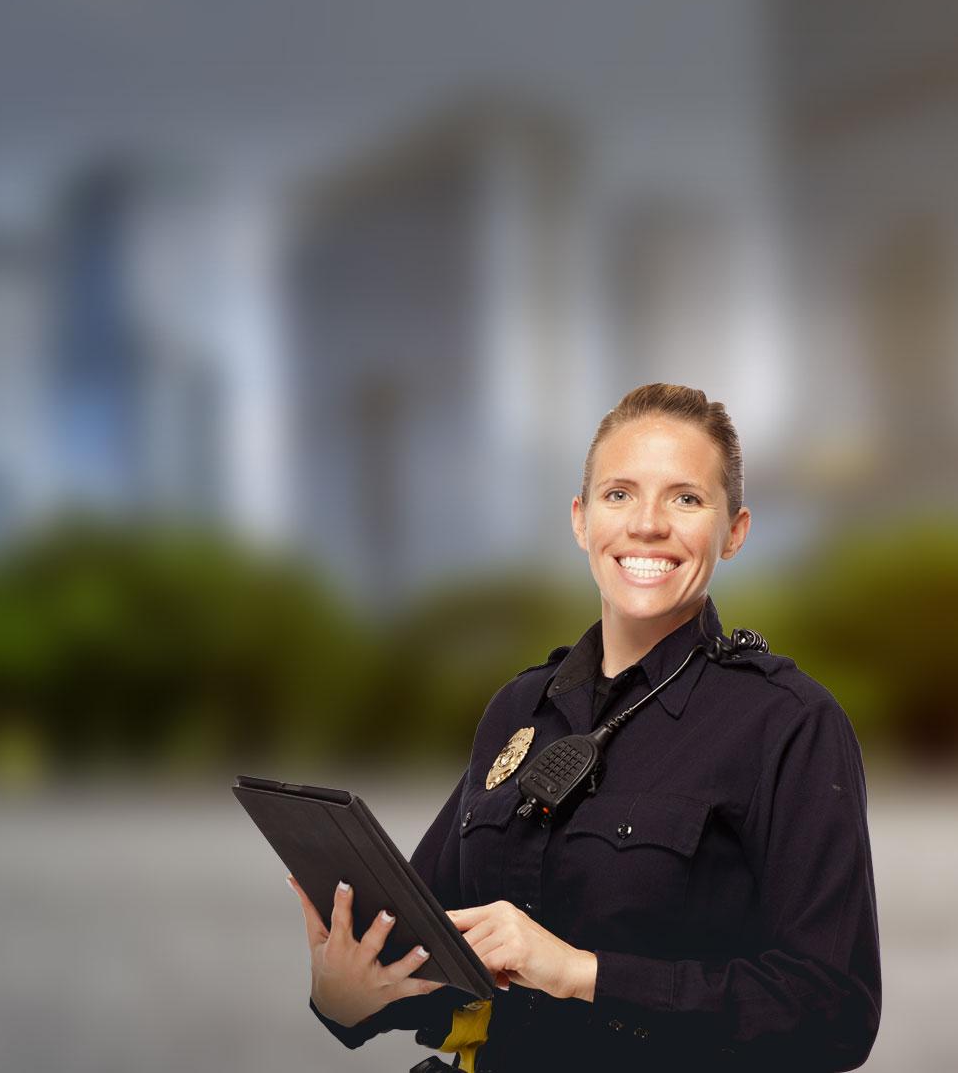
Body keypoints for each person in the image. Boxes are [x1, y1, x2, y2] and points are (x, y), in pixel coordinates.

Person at [288, 384, 882, 1071]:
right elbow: (439, 958)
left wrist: (581, 973)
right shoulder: (518, 710)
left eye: (685, 499)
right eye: (620, 494)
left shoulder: (789, 724)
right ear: (581, 519)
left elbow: (835, 1011)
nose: (648, 525)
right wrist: (351, 998)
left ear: (735, 530)